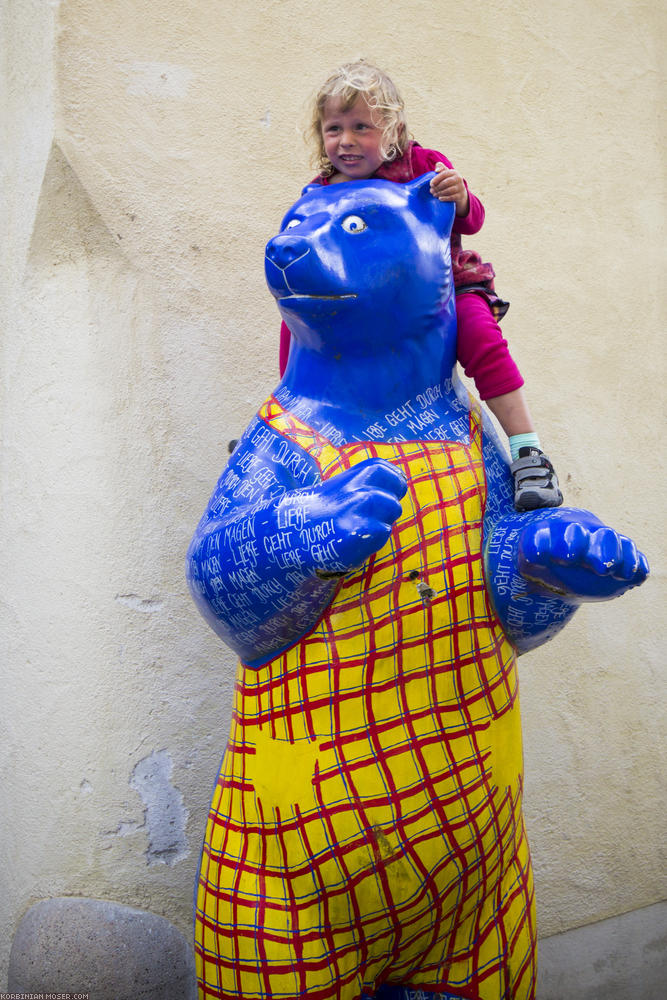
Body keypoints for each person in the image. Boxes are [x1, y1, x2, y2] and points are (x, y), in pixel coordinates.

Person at [278, 60, 562, 512]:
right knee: (301, 319)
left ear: (392, 129)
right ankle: (293, 428)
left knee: (481, 337)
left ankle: (527, 450)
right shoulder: (322, 188)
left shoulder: (424, 166)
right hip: (363, 303)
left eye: (361, 127)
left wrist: (461, 196)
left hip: (444, 288)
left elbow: (473, 219)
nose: (345, 141)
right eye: (334, 129)